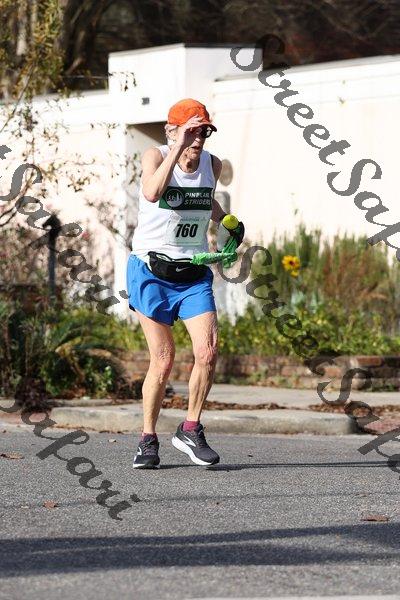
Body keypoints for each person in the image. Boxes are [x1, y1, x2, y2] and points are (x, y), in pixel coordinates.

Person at [126, 98, 244, 469]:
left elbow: (205, 201)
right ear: (172, 131)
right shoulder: (155, 156)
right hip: (151, 272)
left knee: (207, 351)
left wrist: (227, 222)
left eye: (204, 132)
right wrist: (177, 149)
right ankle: (148, 439)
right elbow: (152, 192)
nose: (198, 139)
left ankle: (190, 428)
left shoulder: (212, 164)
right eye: (191, 132)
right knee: (163, 360)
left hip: (192, 273)